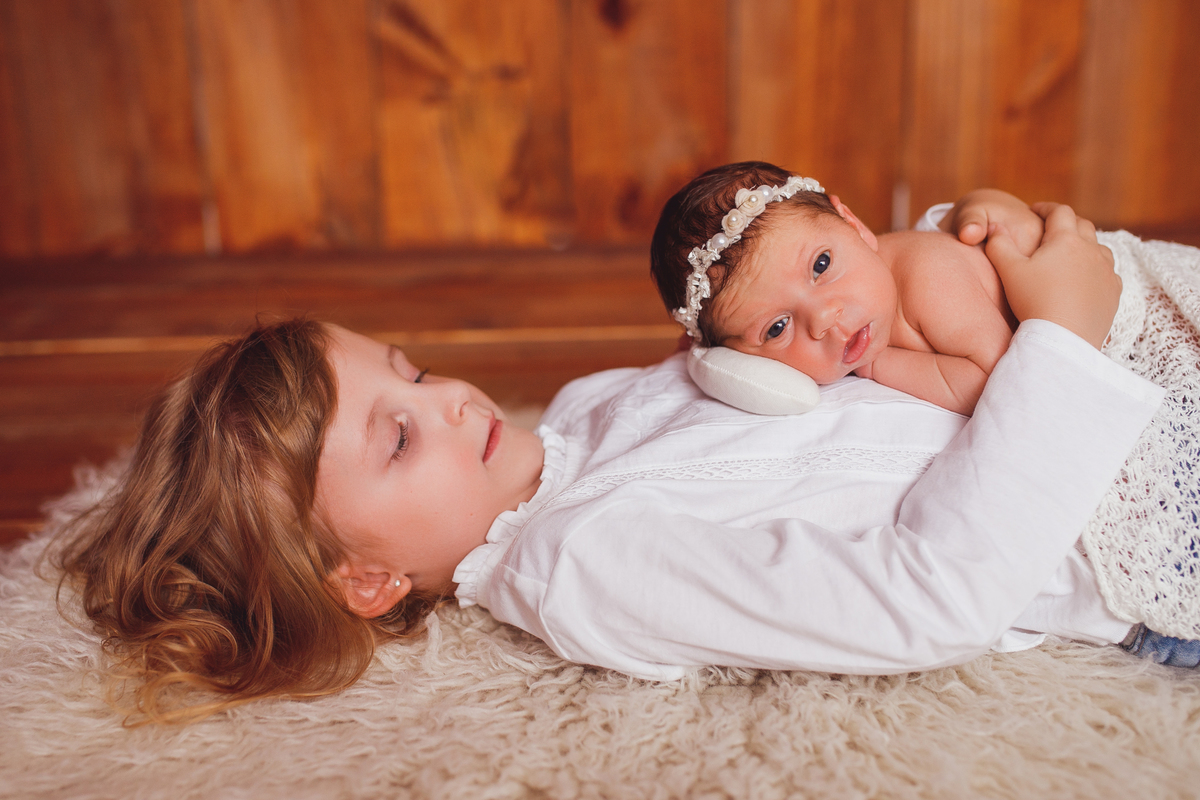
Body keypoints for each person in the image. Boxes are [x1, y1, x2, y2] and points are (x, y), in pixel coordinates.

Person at [59, 193, 1163, 723]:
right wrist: (1059, 346)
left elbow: (802, 353)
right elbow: (933, 596)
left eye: (408, 368)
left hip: (1121, 405)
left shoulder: (586, 418)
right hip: (1127, 536)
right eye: (396, 436)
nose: (444, 398)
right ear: (367, 579)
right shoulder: (585, 563)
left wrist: (944, 268)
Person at [651, 161, 1200, 649]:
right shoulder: (865, 298)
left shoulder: (926, 275)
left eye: (821, 266)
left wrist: (875, 365)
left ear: (854, 225)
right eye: (777, 327)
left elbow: (1006, 382)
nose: (824, 318)